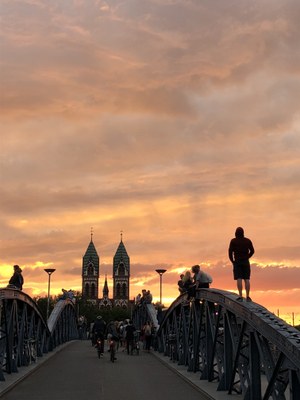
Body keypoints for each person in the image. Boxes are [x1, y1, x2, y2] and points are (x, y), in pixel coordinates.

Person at [228, 227, 255, 302]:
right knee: (247, 279)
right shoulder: (247, 241)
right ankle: (248, 296)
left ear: (236, 233)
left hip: (237, 261)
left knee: (239, 278)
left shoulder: (233, 241)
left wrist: (232, 261)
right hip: (245, 261)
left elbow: (230, 252)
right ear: (243, 232)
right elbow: (252, 251)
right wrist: (247, 257)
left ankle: (240, 296)